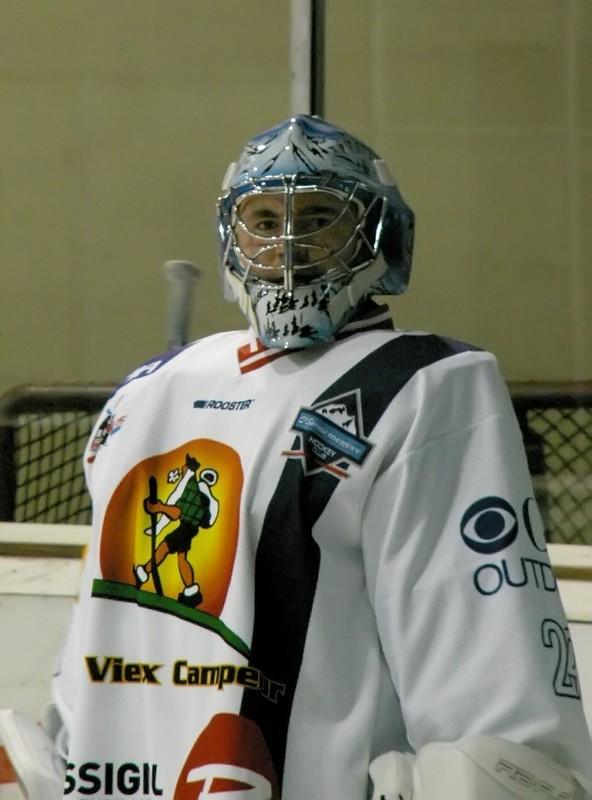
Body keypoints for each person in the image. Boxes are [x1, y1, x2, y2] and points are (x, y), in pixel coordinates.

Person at [50, 114, 591, 799]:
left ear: (378, 233)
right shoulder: (147, 391)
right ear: (230, 235)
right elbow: (95, 634)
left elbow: (483, 677)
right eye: (264, 219)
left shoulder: (422, 385)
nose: (288, 244)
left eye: (318, 217)